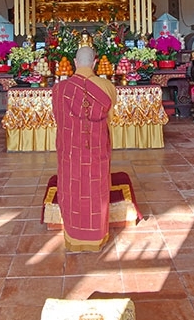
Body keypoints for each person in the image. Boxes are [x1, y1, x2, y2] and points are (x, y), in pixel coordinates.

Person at [51, 45, 116, 251]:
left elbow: (59, 119)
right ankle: (97, 235)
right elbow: (110, 119)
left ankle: (74, 236)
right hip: (97, 149)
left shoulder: (60, 89)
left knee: (72, 187)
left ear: (75, 63)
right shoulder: (107, 87)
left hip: (71, 151)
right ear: (95, 63)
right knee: (97, 187)